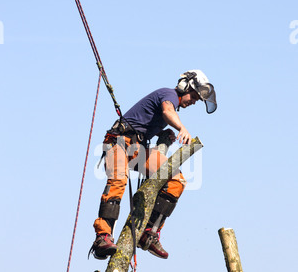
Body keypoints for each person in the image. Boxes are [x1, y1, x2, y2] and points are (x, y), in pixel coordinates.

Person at [89, 69, 217, 260]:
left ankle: (148, 233)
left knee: (176, 181)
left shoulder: (170, 102)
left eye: (198, 99)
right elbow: (167, 110)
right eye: (194, 96)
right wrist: (181, 127)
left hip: (136, 149)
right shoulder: (168, 94)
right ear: (184, 87)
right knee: (118, 181)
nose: (194, 101)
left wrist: (162, 134)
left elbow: (145, 120)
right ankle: (102, 237)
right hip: (118, 142)